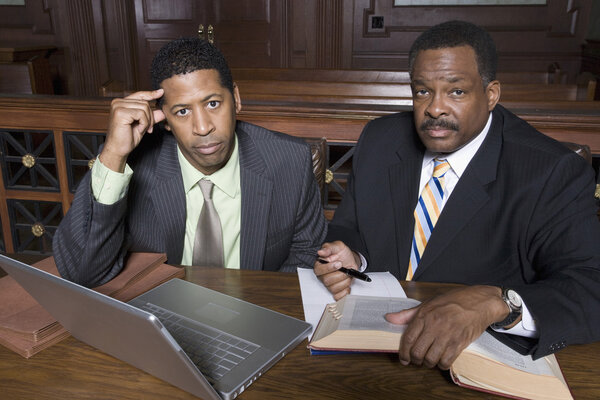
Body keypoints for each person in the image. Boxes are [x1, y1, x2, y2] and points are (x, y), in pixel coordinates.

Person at [315, 20, 600, 369]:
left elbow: (590, 287)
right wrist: (351, 256)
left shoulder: (550, 170)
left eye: (456, 92)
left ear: (491, 93)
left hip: (477, 358)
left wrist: (500, 303)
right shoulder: (380, 139)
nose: (435, 108)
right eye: (422, 91)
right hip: (369, 347)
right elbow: (349, 227)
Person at [53, 37, 326, 286]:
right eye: (182, 111)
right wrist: (113, 154)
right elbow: (81, 273)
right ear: (164, 119)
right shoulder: (137, 163)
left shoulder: (290, 161)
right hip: (161, 319)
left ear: (236, 99)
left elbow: (303, 257)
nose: (203, 127)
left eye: (212, 104)